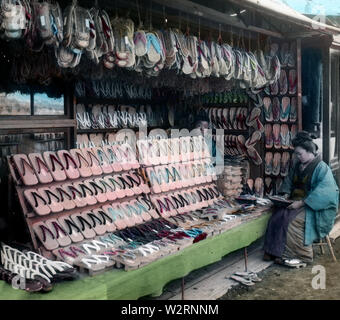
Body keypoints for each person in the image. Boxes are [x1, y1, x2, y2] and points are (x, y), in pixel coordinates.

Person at [263, 131, 339, 265]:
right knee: (277, 216)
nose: (298, 157)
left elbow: (327, 192)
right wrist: (285, 194)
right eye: (296, 154)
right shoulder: (297, 165)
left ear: (310, 151)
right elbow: (288, 181)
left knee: (292, 221)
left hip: (315, 207)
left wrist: (301, 203)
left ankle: (302, 256)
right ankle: (274, 251)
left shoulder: (322, 168)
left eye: (300, 154)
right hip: (295, 202)